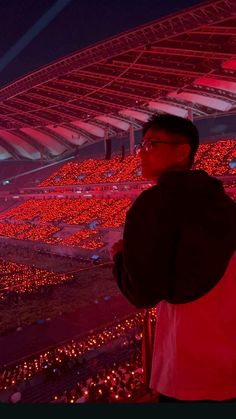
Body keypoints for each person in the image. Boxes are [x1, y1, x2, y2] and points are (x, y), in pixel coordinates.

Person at [111, 113, 236, 402]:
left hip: (188, 365)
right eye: (140, 146)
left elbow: (142, 293)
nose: (141, 153)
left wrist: (118, 257)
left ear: (183, 151)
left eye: (151, 144)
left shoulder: (153, 204)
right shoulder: (224, 202)